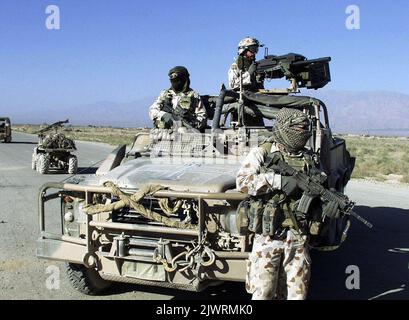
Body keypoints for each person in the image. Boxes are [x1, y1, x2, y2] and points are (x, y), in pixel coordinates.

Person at [236, 108, 314, 300]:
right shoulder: (262, 152)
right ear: (283, 128)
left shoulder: (308, 157)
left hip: (297, 236)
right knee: (264, 291)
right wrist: (278, 181)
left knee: (297, 294)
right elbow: (243, 183)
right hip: (268, 235)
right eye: (297, 128)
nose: (302, 132)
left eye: (304, 128)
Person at [149, 66, 207, 131]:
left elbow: (202, 117)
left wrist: (190, 124)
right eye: (173, 80)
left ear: (184, 79)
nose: (175, 83)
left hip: (184, 134)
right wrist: (165, 116)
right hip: (163, 133)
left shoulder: (194, 96)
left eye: (178, 80)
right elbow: (152, 110)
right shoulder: (164, 94)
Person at [227, 37, 265, 126]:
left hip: (255, 105)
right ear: (243, 50)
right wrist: (249, 73)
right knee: (243, 136)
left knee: (257, 135)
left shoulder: (255, 65)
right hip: (242, 105)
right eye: (252, 49)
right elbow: (233, 84)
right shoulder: (236, 66)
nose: (254, 53)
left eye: (256, 49)